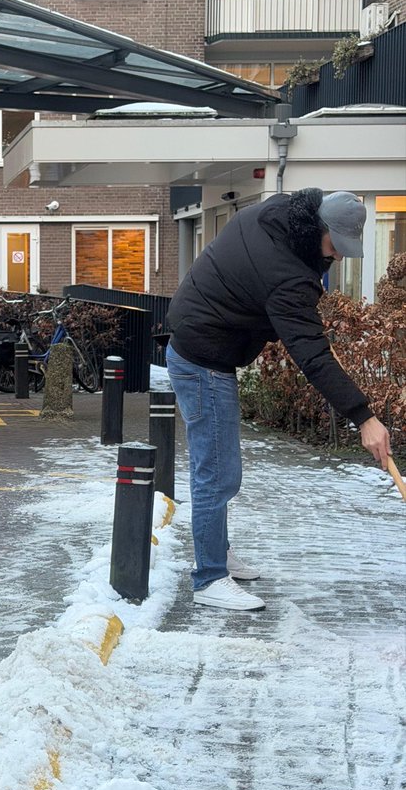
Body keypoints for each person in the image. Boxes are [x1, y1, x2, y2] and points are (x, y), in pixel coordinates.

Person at [165, 188, 392, 612]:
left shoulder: (282, 211)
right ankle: (209, 576)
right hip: (203, 359)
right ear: (318, 229)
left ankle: (215, 551)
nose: (338, 257)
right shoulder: (285, 276)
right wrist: (364, 418)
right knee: (217, 473)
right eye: (335, 247)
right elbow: (312, 355)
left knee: (218, 470)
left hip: (199, 342)